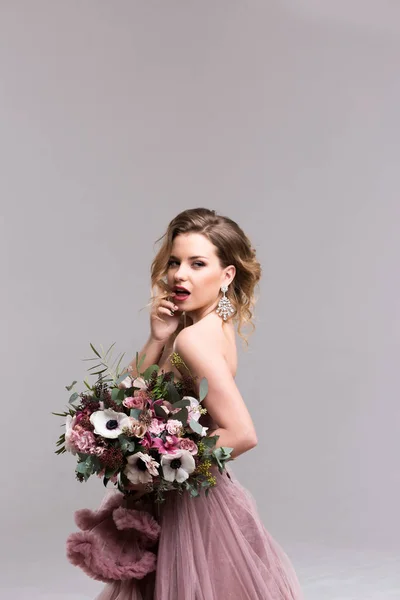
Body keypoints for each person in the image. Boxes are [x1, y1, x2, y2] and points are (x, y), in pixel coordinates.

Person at [91, 208, 304, 599]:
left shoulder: (193, 340)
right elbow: (128, 399)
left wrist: (157, 474)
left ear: (227, 275)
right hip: (201, 494)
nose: (179, 274)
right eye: (174, 262)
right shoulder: (211, 328)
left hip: (188, 505)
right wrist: (157, 338)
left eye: (197, 263)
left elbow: (241, 433)